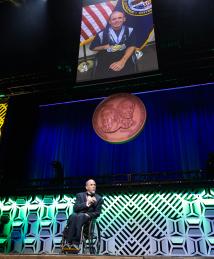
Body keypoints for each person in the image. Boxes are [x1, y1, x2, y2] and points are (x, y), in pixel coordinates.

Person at [90, 10, 137, 79]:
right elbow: (92, 47)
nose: (117, 20)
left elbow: (132, 45)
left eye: (120, 18)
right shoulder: (102, 33)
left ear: (124, 19)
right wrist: (104, 47)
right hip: (106, 58)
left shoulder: (130, 30)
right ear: (109, 22)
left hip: (124, 56)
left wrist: (122, 61)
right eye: (114, 19)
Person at [66, 179, 103, 251]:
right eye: (91, 185)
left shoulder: (99, 199)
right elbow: (76, 208)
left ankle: (75, 243)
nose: (93, 186)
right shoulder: (80, 195)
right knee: (73, 215)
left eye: (94, 185)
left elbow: (97, 213)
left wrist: (88, 215)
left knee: (80, 216)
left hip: (88, 218)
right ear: (86, 187)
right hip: (77, 215)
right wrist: (87, 203)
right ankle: (68, 242)